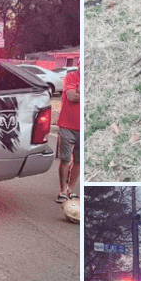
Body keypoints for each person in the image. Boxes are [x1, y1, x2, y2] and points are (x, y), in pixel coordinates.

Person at [56, 69, 80, 203]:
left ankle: (70, 189)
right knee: (65, 160)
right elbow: (71, 97)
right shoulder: (71, 76)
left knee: (78, 161)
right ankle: (62, 190)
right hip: (67, 125)